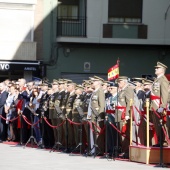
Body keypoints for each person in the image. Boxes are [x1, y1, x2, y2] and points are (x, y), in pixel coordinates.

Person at [150, 61, 169, 147]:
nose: (155, 69)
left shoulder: (163, 80)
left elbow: (164, 95)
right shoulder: (157, 79)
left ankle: (164, 141)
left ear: (162, 70)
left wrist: (162, 106)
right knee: (157, 125)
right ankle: (160, 141)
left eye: (157, 68)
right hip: (154, 105)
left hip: (158, 105)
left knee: (161, 124)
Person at [116, 76, 134, 158]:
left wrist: (127, 114)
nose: (118, 83)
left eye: (119, 82)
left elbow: (129, 103)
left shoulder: (128, 89)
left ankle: (126, 151)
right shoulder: (121, 91)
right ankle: (123, 150)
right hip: (119, 114)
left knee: (125, 134)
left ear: (124, 82)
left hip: (124, 115)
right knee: (121, 134)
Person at [88, 76, 105, 155]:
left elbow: (102, 105)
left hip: (98, 115)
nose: (93, 83)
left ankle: (99, 150)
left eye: (94, 81)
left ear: (98, 82)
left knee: (98, 133)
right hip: (93, 115)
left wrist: (100, 116)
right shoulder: (95, 92)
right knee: (95, 133)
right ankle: (95, 148)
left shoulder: (100, 91)